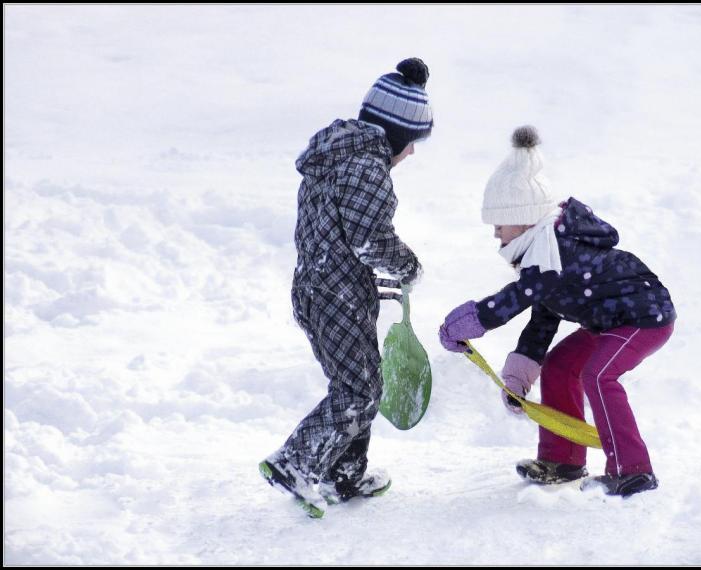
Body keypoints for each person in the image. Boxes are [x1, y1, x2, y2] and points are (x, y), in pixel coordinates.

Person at [438, 125, 676, 498]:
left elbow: (519, 297)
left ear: (523, 218)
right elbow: (544, 312)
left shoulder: (556, 250)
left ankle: (633, 471)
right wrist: (521, 370)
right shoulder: (544, 252)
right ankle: (562, 460)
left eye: (499, 225)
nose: (496, 235)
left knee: (598, 376)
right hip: (609, 322)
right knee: (562, 365)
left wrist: (473, 320)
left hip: (643, 317)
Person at [259, 58, 433, 517]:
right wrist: (406, 267)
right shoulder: (366, 166)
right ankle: (297, 461)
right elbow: (368, 237)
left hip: (321, 288)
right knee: (358, 390)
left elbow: (338, 234)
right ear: (396, 134)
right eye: (411, 143)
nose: (411, 154)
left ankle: (343, 472)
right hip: (338, 294)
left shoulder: (333, 160)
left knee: (359, 381)